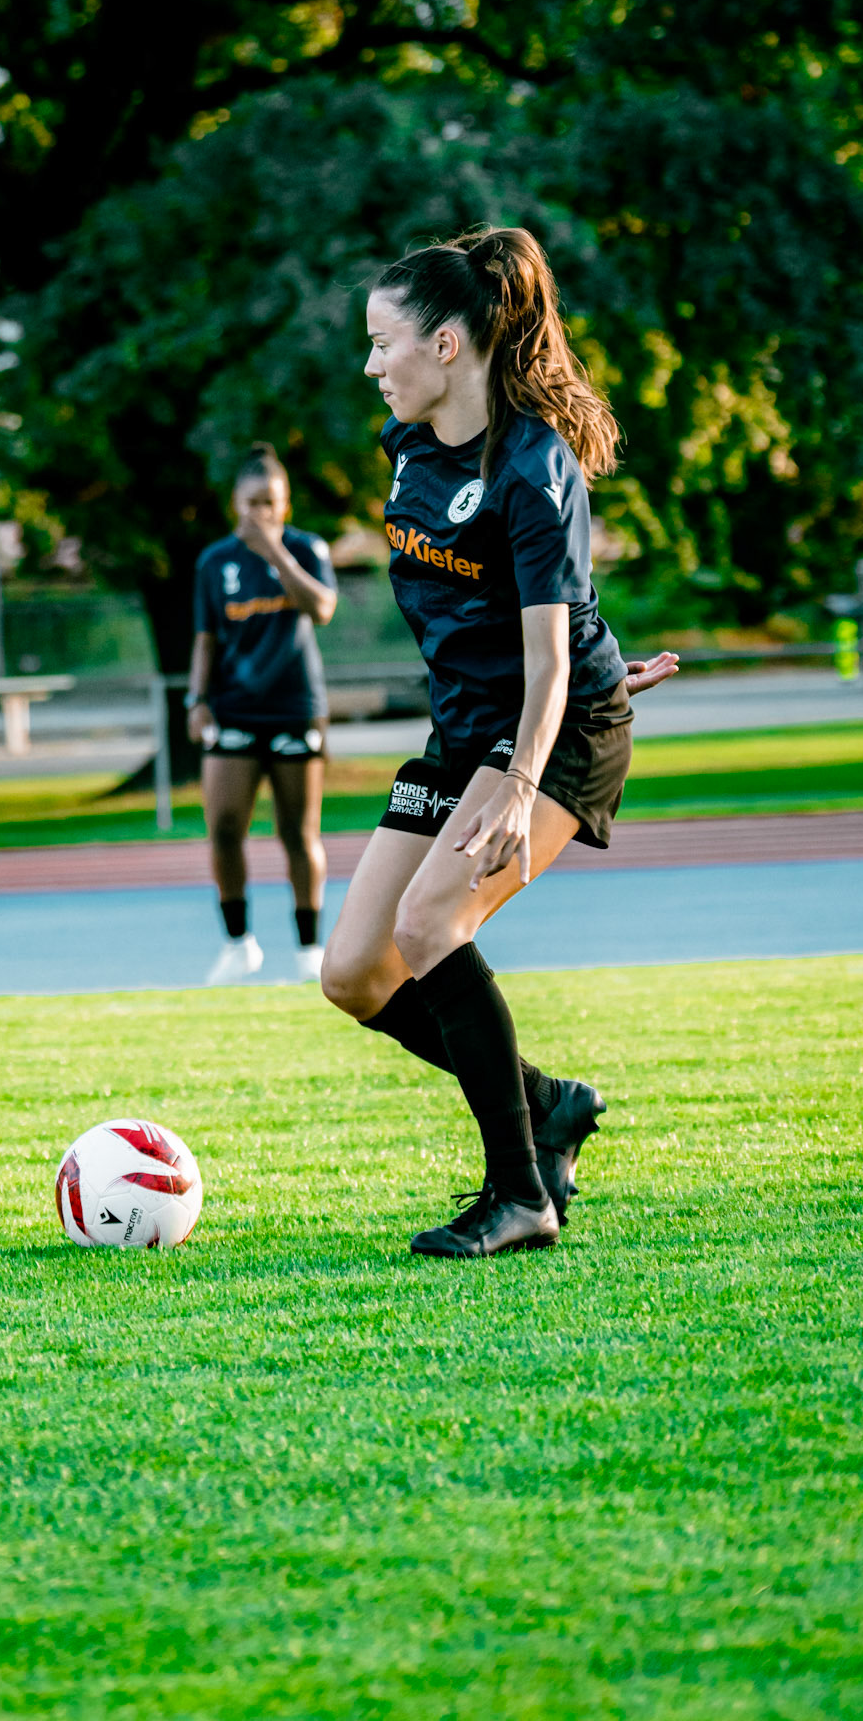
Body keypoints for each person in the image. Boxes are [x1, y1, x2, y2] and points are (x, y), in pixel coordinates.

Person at [320, 227, 679, 1260]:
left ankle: (520, 1194)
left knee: (431, 923)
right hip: (470, 729)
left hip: (551, 735)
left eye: (383, 342)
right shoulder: (410, 444)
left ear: (445, 343)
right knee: (355, 972)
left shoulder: (531, 462)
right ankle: (549, 1105)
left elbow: (551, 654)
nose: (371, 364)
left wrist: (523, 780)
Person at [188, 443, 340, 984]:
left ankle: (308, 948)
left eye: (271, 502)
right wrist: (196, 699)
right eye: (252, 503)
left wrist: (275, 553)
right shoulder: (214, 562)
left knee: (298, 833)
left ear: (286, 503)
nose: (261, 513)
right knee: (224, 827)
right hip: (233, 709)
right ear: (235, 503)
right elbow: (205, 639)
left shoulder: (306, 548)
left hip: (295, 708)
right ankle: (238, 943)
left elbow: (322, 608)